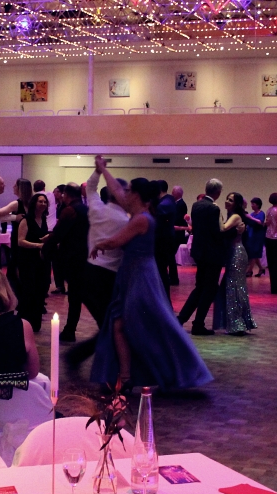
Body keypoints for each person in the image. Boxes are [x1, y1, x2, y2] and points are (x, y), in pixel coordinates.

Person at [90, 160, 212, 391]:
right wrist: (103, 169)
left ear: (136, 195)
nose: (124, 193)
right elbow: (116, 190)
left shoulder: (141, 219)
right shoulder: (138, 213)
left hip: (141, 277)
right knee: (120, 324)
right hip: (132, 274)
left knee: (140, 326)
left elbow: (117, 241)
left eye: (128, 190)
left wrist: (98, 244)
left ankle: (163, 372)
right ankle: (127, 376)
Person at [66, 159, 130, 366]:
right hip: (107, 278)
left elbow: (90, 188)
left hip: (88, 273)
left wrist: (97, 171)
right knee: (109, 325)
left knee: (108, 324)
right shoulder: (125, 221)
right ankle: (79, 357)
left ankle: (81, 358)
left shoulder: (97, 209)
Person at [177, 178, 225, 337]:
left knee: (200, 287)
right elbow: (215, 233)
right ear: (218, 192)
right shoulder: (213, 208)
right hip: (212, 254)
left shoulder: (196, 205)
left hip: (199, 252)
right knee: (209, 289)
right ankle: (198, 324)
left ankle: (181, 319)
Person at [46, 183, 89, 341]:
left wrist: (45, 249)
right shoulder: (86, 209)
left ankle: (70, 330)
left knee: (75, 296)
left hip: (71, 258)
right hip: (84, 256)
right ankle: (70, 329)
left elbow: (58, 234)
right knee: (77, 296)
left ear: (67, 195)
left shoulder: (70, 210)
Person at [213, 192, 255, 335]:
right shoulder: (232, 216)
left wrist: (217, 212)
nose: (227, 201)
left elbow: (223, 228)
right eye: (227, 199)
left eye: (230, 200)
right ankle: (237, 323)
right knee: (232, 287)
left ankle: (238, 324)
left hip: (237, 254)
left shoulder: (236, 216)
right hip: (233, 254)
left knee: (235, 287)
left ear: (236, 204)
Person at [12, 193, 52, 331]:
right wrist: (38, 245)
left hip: (41, 261)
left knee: (40, 290)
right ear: (34, 203)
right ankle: (24, 323)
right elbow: (20, 241)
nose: (43, 204)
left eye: (45, 202)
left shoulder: (44, 219)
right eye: (40, 201)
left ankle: (35, 323)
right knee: (29, 291)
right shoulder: (26, 220)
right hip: (28, 260)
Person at [153, 180, 178, 294]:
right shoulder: (169, 200)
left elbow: (157, 224)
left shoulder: (163, 204)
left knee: (161, 270)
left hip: (162, 241)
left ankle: (164, 298)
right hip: (166, 239)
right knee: (162, 270)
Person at [245, 197, 266, 278]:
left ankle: (249, 270)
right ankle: (261, 268)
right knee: (254, 253)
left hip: (258, 235)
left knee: (254, 253)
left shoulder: (261, 213)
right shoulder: (252, 214)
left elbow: (260, 222)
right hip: (251, 235)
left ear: (257, 205)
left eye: (253, 204)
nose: (251, 205)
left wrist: (250, 218)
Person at [171, 185, 188, 286]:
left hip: (177, 233)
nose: (172, 193)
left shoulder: (181, 204)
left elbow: (177, 218)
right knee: (170, 256)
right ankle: (173, 277)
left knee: (170, 255)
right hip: (176, 232)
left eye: (173, 192)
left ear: (178, 193)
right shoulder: (178, 203)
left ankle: (174, 278)